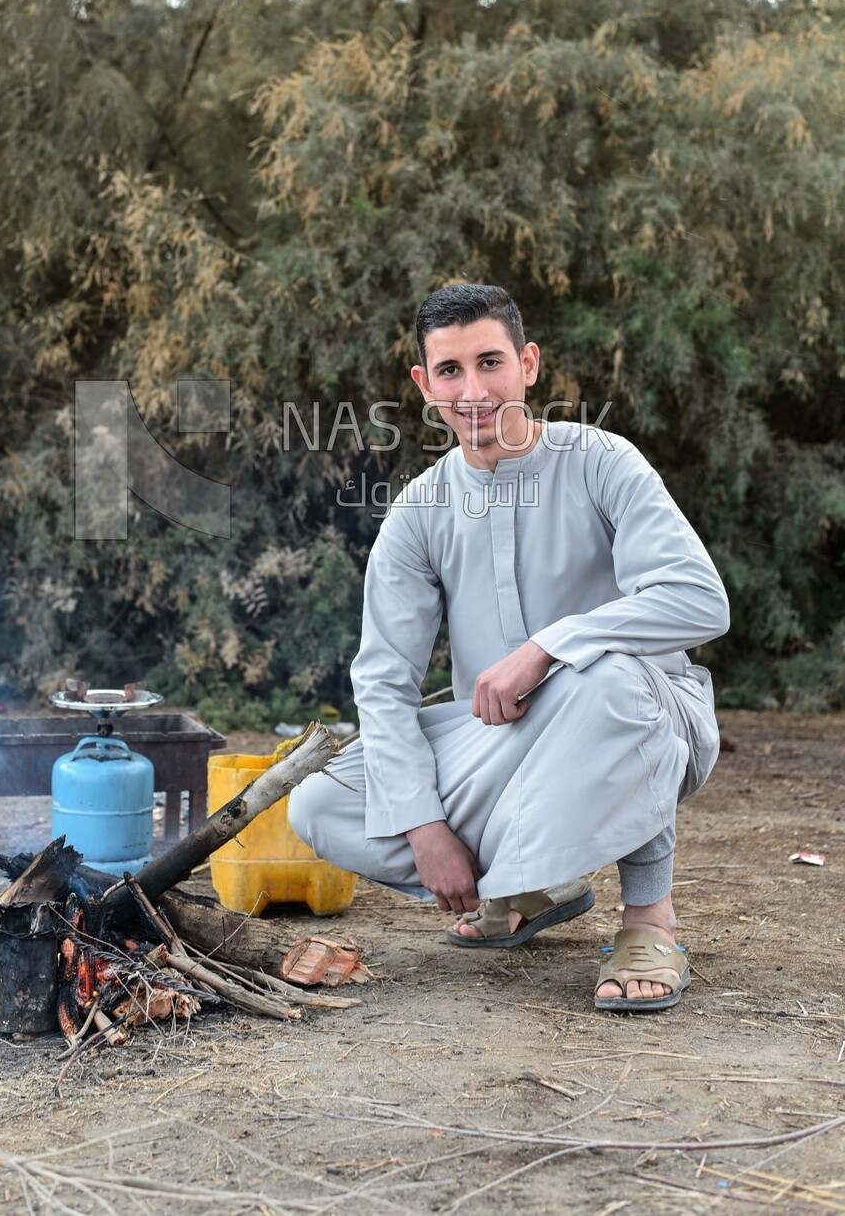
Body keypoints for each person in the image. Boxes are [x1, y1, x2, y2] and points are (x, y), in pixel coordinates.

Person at [288, 282, 730, 1011]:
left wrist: (550, 646)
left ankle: (649, 922)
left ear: (527, 364)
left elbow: (698, 600)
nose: (474, 390)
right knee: (320, 802)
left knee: (605, 677)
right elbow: (384, 681)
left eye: (490, 362)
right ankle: (530, 888)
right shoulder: (419, 511)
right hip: (502, 737)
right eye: (451, 371)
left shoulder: (600, 460)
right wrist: (424, 827)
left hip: (647, 714)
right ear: (424, 385)